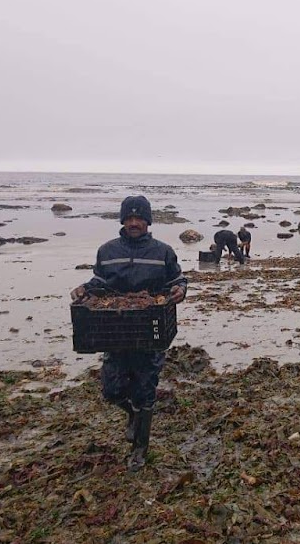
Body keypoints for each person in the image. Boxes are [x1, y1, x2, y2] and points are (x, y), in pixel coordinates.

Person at [70, 195, 188, 471]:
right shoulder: (108, 251)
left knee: (145, 391)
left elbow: (178, 279)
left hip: (150, 331)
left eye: (140, 218)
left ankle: (140, 450)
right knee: (111, 390)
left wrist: (180, 291)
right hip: (116, 331)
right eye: (130, 218)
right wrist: (84, 289)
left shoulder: (163, 252)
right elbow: (99, 283)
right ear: (122, 220)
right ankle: (133, 417)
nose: (134, 223)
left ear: (148, 221)